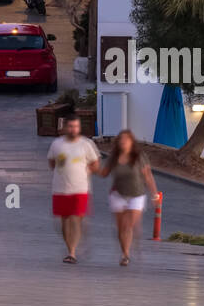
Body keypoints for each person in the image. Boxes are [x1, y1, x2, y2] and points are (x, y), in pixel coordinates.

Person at [47, 113, 100, 263]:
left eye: (76, 126)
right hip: (60, 188)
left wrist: (85, 171)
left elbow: (95, 164)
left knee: (76, 219)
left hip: (80, 188)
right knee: (64, 221)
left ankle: (72, 252)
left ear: (79, 128)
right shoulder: (57, 144)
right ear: (65, 128)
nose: (73, 129)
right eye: (70, 126)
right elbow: (51, 163)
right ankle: (70, 247)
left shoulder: (86, 144)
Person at [100, 129, 158, 266]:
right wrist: (91, 166)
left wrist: (154, 194)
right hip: (118, 194)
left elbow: (148, 176)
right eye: (121, 140)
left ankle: (130, 247)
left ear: (132, 142)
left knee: (128, 225)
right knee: (121, 227)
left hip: (137, 194)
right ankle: (125, 254)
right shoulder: (114, 157)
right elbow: (104, 173)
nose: (123, 142)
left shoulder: (139, 156)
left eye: (126, 140)